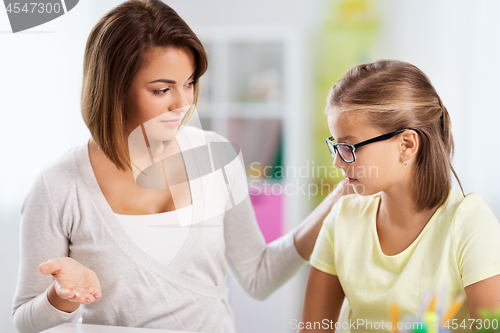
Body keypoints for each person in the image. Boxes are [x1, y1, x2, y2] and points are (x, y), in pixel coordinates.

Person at [11, 1, 353, 333]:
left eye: (189, 83)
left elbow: (258, 276)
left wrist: (339, 197)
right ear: (114, 89)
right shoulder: (58, 186)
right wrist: (62, 297)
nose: (183, 104)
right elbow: (24, 321)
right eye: (162, 90)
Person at [299, 60, 500, 332]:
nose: (337, 162)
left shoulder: (469, 224)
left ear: (406, 145)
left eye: (348, 147)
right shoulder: (342, 218)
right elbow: (313, 328)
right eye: (335, 146)